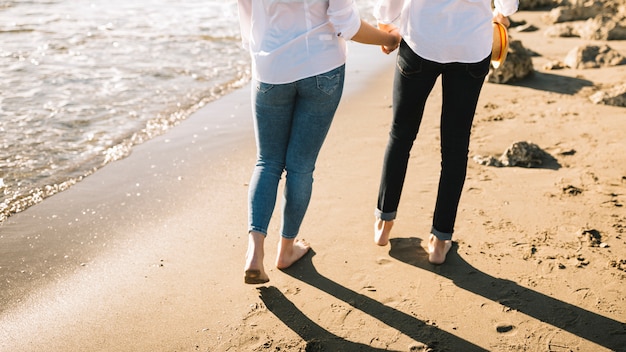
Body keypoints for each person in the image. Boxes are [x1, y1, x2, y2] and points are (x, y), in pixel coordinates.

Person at [238, 0, 401, 284]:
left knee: (267, 162)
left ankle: (255, 251)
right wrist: (388, 39)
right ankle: (286, 250)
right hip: (321, 67)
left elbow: (246, 13)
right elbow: (346, 24)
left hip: (270, 68)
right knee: (300, 166)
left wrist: (263, 54)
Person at [372, 0, 518, 264]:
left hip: (421, 41)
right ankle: (440, 242)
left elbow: (390, 4)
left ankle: (384, 224)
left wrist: (386, 22)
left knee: (400, 135)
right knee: (455, 146)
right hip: (471, 46)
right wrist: (503, 13)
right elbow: (507, 4)